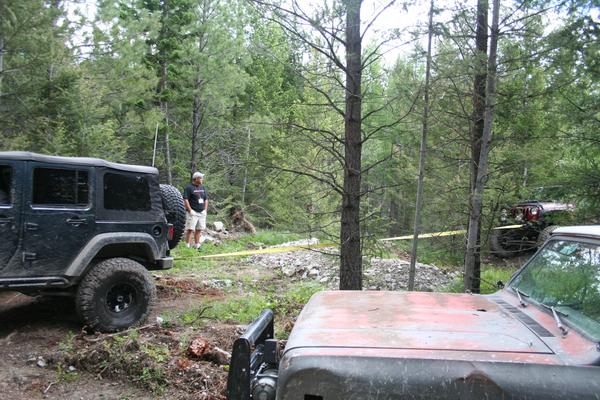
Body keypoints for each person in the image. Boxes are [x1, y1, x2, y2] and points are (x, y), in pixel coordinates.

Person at [183, 171, 208, 250]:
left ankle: (197, 245)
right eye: (201, 178)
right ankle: (187, 246)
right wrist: (190, 210)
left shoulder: (202, 187)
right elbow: (185, 199)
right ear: (196, 178)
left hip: (201, 212)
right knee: (190, 229)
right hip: (193, 212)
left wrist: (205, 210)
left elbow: (206, 199)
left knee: (199, 229)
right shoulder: (188, 187)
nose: (202, 179)